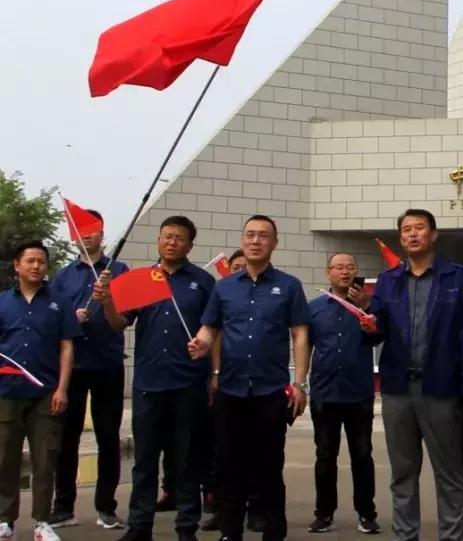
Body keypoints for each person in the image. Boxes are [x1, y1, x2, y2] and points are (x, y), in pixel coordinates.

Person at [187, 215, 310, 541]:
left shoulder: (288, 285)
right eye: (250, 235)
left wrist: (300, 383)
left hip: (270, 391)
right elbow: (210, 327)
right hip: (231, 389)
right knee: (229, 468)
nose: (256, 241)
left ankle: (273, 532)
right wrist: (201, 342)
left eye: (263, 236)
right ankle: (231, 532)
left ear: (274, 243)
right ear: (242, 241)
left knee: (269, 468)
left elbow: (299, 333)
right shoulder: (224, 287)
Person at [93, 216, 215, 541]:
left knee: (187, 462)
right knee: (144, 462)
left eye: (179, 238)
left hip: (189, 384)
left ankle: (186, 528)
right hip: (148, 384)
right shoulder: (141, 279)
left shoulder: (203, 282)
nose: (172, 242)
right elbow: (119, 323)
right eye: (166, 236)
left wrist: (212, 371)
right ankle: (139, 527)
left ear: (190, 244)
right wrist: (107, 303)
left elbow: (215, 330)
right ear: (158, 240)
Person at [364, 209, 463, 541]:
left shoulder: (456, 278)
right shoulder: (388, 280)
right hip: (398, 389)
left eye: (419, 228)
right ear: (401, 238)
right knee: (402, 473)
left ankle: (454, 537)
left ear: (433, 234)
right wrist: (369, 326)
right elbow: (377, 331)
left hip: (441, 389)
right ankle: (405, 536)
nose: (412, 234)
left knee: (450, 474)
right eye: (406, 230)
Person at [49, 210, 128, 531]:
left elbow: (122, 320)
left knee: (108, 439)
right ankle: (63, 506)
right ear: (74, 236)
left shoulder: (118, 270)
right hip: (73, 368)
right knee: (65, 440)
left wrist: (107, 298)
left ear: (102, 234)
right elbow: (51, 320)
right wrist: (72, 318)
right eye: (81, 230)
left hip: (108, 364)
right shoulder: (62, 277)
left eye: (93, 230)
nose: (87, 236)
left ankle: (106, 508)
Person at [0, 241, 80, 541]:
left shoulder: (59, 303)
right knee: (4, 459)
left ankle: (42, 522)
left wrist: (62, 388)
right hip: (7, 392)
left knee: (45, 459)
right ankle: (4, 520)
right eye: (30, 261)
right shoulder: (2, 302)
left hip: (46, 394)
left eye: (42, 262)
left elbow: (66, 348)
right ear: (17, 265)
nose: (36, 266)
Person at [306, 252, 380, 534]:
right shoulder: (314, 308)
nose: (345, 272)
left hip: (358, 392)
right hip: (324, 392)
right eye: (339, 267)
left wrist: (369, 314)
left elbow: (378, 337)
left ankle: (366, 514)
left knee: (362, 455)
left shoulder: (368, 307)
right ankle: (324, 514)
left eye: (350, 267)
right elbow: (305, 345)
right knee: (325, 456)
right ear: (328, 273)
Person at [198, 248, 250, 535]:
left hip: (257, 385)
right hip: (226, 383)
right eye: (236, 266)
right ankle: (223, 512)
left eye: (244, 266)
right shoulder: (223, 294)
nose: (240, 269)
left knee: (257, 455)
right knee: (223, 454)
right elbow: (213, 335)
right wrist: (216, 373)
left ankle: (255, 511)